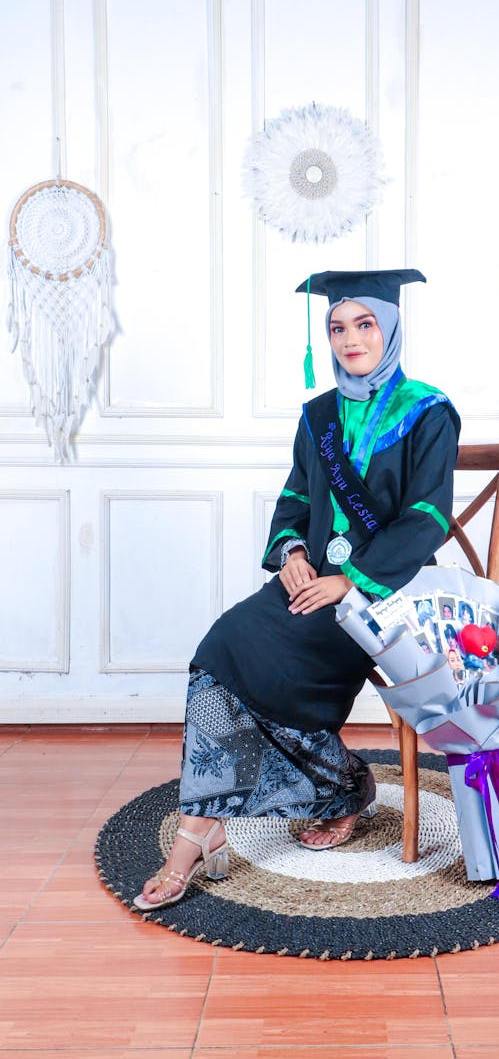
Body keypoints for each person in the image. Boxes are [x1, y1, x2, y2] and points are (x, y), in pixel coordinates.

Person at [135, 268, 460, 910]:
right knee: (224, 644)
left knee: (278, 661)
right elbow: (295, 497)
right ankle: (211, 823)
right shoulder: (317, 417)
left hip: (386, 593)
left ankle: (318, 793)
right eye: (337, 328)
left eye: (364, 324)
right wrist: (288, 552)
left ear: (390, 328)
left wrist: (351, 581)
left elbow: (428, 518)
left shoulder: (428, 412)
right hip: (314, 582)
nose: (348, 340)